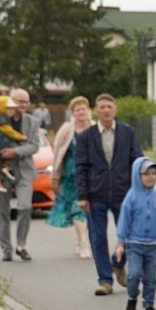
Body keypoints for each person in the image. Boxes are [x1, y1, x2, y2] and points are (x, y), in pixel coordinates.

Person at [75, 93, 143, 295]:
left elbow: (137, 161)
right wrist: (82, 195)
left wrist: (139, 191)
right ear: (96, 110)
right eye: (102, 107)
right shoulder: (86, 136)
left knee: (130, 235)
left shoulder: (127, 133)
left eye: (109, 107)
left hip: (124, 194)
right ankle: (105, 280)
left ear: (115, 110)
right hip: (95, 195)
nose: (106, 111)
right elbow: (80, 167)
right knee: (97, 238)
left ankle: (118, 262)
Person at [114, 157, 156, 310]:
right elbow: (124, 221)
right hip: (134, 244)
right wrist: (120, 243)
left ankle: (149, 306)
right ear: (137, 175)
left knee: (150, 278)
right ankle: (132, 297)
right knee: (133, 275)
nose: (150, 177)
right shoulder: (131, 197)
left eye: (154, 173)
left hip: (152, 245)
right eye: (146, 174)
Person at [0, 89, 39, 262]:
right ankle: (6, 249)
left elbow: (34, 146)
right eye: (20, 102)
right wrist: (2, 153)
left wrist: (16, 151)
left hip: (24, 171)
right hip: (2, 172)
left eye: (26, 102)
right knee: (3, 211)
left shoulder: (33, 122)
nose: (23, 105)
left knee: (25, 207)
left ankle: (21, 245)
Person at [48, 95, 94, 258]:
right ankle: (83, 243)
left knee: (90, 209)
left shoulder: (95, 128)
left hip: (92, 176)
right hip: (71, 175)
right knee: (78, 208)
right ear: (73, 113)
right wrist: (55, 176)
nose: (81, 112)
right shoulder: (67, 129)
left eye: (83, 108)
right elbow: (57, 152)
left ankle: (80, 238)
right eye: (77, 109)